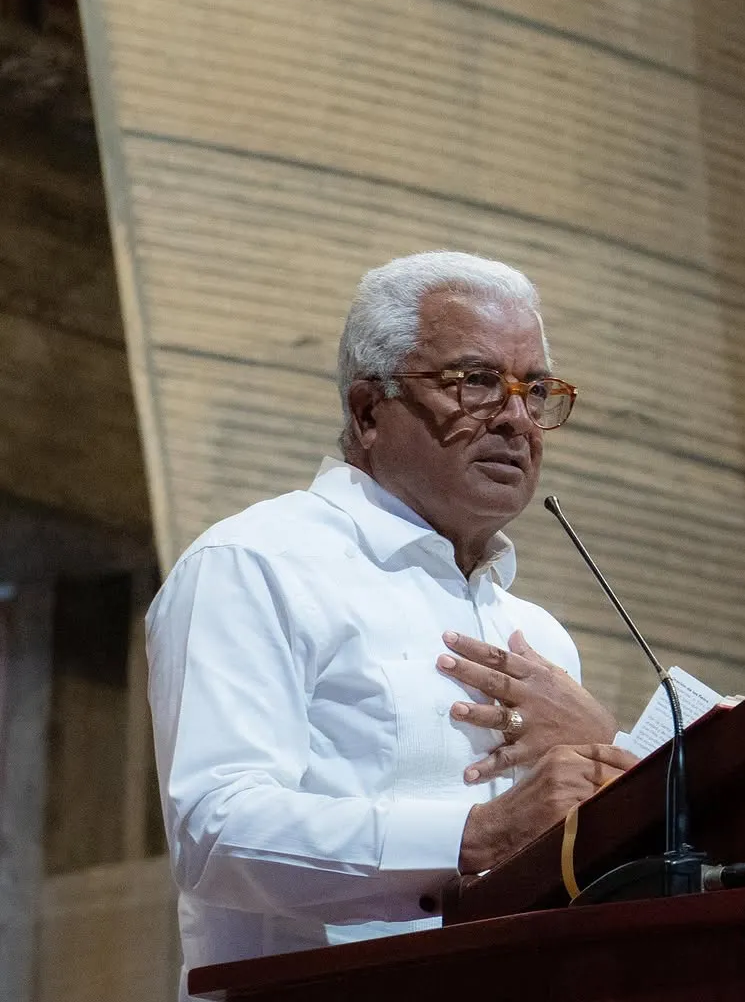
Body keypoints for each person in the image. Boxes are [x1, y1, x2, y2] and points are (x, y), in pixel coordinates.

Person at [146, 251, 636, 998]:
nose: (514, 418)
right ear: (368, 411)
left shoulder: (538, 634)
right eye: (475, 382)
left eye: (535, 392)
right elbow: (215, 833)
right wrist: (476, 836)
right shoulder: (256, 564)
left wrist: (609, 758)